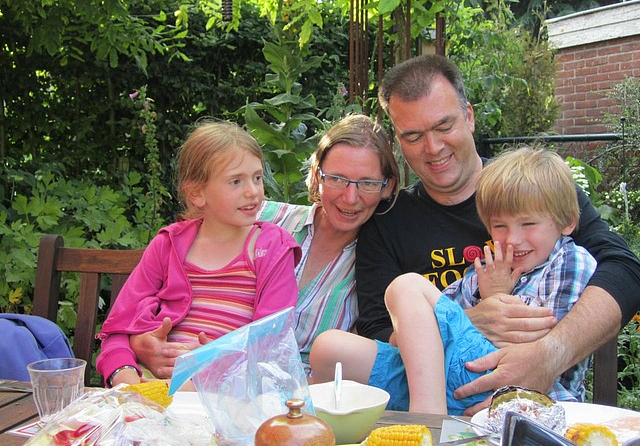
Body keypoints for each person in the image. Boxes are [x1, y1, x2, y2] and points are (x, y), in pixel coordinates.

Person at [353, 54, 640, 414]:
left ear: (469, 116)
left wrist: (548, 356)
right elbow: (376, 327)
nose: (432, 148)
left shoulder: (532, 190)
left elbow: (626, 271)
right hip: (433, 389)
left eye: (444, 126)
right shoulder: (387, 222)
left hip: (531, 397)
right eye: (413, 136)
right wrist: (462, 324)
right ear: (398, 140)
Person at [311, 147, 596, 415]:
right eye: (499, 226)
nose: (513, 239)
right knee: (328, 349)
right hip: (445, 381)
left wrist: (494, 298)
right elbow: (434, 324)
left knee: (406, 287)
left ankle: (428, 419)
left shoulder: (570, 261)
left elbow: (537, 342)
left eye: (528, 224)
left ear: (567, 222)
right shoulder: (490, 267)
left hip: (514, 389)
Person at [127, 114, 401, 378]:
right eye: (337, 179)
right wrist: (144, 343)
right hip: (197, 377)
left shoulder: (379, 266)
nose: (350, 197)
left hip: (300, 396)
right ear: (318, 176)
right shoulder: (260, 217)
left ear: (387, 187)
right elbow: (182, 272)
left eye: (367, 183)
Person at [96, 120, 301, 387]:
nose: (253, 191)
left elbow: (272, 341)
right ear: (197, 194)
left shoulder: (273, 247)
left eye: (257, 177)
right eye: (236, 181)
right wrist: (123, 376)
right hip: (152, 381)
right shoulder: (168, 245)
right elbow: (117, 329)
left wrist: (215, 358)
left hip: (230, 387)